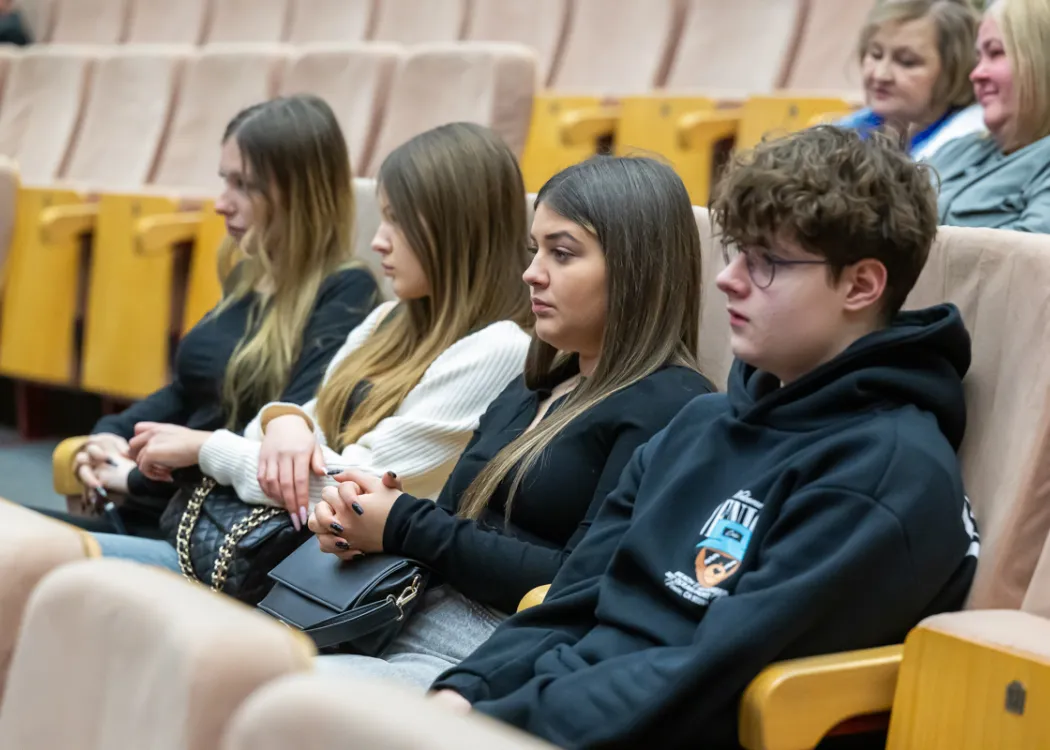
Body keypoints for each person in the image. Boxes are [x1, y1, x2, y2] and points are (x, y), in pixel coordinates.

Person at [429, 127, 980, 749]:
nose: (729, 280)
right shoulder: (701, 424)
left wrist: (492, 724)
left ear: (861, 286)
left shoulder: (890, 473)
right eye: (736, 252)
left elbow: (709, 682)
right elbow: (574, 599)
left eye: (767, 262)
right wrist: (463, 691)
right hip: (549, 713)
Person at [314, 156, 716, 687]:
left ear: (637, 270)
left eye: (562, 253)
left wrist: (404, 524)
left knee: (285, 699)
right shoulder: (538, 381)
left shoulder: (674, 403)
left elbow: (580, 584)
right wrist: (365, 522)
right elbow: (456, 524)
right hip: (399, 613)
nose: (532, 273)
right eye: (534, 251)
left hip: (496, 653)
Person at [95, 122, 534, 568]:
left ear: (458, 229)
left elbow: (358, 490)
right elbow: (292, 429)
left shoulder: (501, 348)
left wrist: (206, 448)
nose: (378, 240)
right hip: (281, 554)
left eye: (396, 220)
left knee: (69, 565)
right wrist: (286, 421)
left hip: (337, 586)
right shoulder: (391, 318)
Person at [44, 94, 379, 539]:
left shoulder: (346, 291)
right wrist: (110, 435)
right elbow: (188, 391)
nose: (222, 203)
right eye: (226, 181)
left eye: (245, 185)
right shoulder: (251, 272)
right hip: (157, 510)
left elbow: (278, 442)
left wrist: (129, 478)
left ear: (301, 195)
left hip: (206, 534)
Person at [928, 0, 1050, 232]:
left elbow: (1029, 260)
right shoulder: (958, 149)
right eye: (978, 58)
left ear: (1042, 62)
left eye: (995, 53)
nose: (976, 74)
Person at [838, 0, 983, 160]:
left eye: (907, 62)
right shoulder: (844, 133)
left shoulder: (965, 149)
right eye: (875, 54)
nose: (881, 75)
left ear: (955, 69)